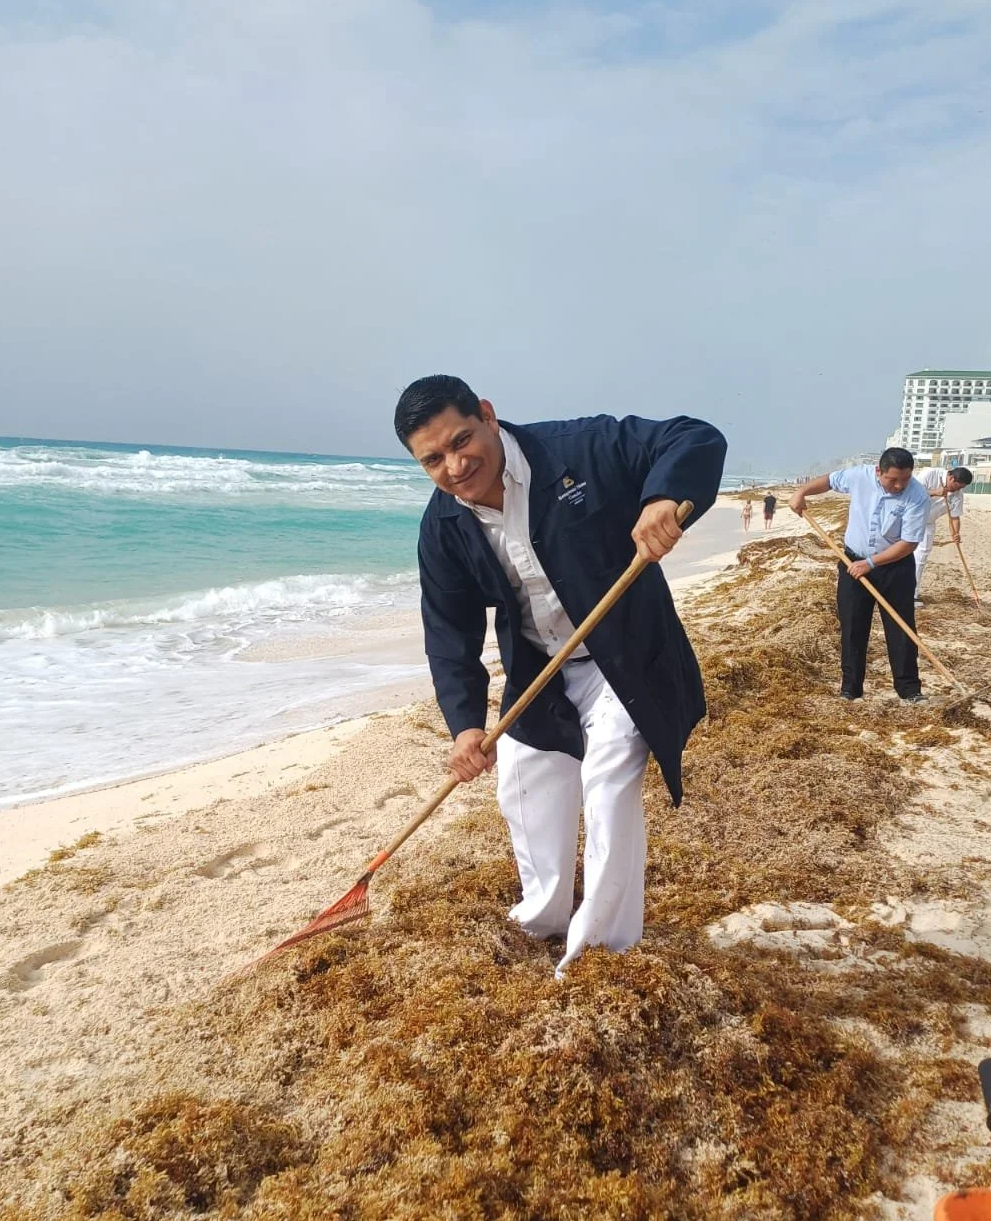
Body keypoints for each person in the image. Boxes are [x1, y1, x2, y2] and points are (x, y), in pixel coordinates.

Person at [396, 375, 727, 975]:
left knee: (608, 783)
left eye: (461, 440)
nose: (455, 464)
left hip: (622, 656)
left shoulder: (581, 450)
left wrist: (662, 497)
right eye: (433, 460)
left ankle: (601, 947)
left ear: (489, 415)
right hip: (538, 670)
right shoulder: (442, 527)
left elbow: (693, 438)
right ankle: (543, 918)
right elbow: (449, 633)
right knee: (523, 790)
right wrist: (465, 727)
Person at [788, 447, 929, 703]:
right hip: (852, 562)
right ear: (879, 471)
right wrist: (801, 492)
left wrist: (871, 563)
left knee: (901, 627)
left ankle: (909, 689)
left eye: (904, 479)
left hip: (895, 567)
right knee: (853, 627)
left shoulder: (917, 495)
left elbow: (908, 543)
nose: (899, 485)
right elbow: (829, 481)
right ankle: (851, 688)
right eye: (893, 479)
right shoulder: (859, 476)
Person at [914, 465, 973, 604]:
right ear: (951, 477)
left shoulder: (958, 495)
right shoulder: (930, 474)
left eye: (961, 488)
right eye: (957, 486)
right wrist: (936, 492)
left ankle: (911, 594)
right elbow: (912, 492)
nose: (958, 490)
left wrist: (956, 534)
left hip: (928, 522)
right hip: (907, 518)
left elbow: (954, 517)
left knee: (921, 557)